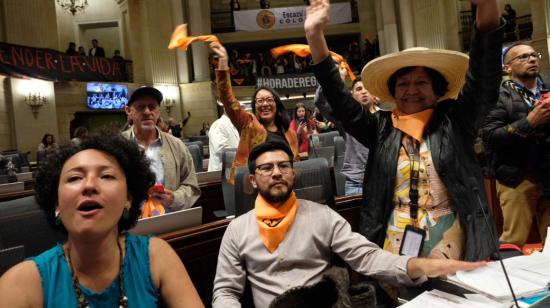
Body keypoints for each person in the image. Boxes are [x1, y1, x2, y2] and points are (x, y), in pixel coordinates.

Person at [305, 0, 502, 261]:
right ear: (393, 91)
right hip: (394, 242)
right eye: (403, 84)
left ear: (437, 89)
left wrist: (486, 6)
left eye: (421, 82)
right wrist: (314, 35)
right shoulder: (379, 127)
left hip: (455, 243)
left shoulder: (456, 120)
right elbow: (340, 100)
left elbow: (484, 76)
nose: (411, 90)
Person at [211, 141, 487, 307]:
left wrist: (416, 266)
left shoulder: (321, 215)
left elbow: (366, 257)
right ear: (252, 180)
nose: (276, 173)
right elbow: (225, 291)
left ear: (293, 174)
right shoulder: (237, 229)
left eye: (283, 166)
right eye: (266, 168)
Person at [0, 133, 204, 307]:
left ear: (128, 198)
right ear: (56, 203)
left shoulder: (157, 256)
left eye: (106, 176)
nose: (89, 185)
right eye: (74, 178)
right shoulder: (21, 284)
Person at [479, 42, 550, 247]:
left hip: (547, 171)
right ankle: (505, 278)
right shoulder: (495, 97)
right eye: (523, 57)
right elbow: (490, 137)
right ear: (507, 68)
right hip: (517, 176)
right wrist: (529, 123)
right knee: (514, 239)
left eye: (534, 55)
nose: (532, 59)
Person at [208, 41, 299, 184]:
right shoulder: (248, 124)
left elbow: (295, 167)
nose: (265, 104)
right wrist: (224, 62)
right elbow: (227, 97)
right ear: (254, 107)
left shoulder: (290, 133)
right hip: (251, 187)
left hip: (283, 187)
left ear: (276, 104)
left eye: (269, 100)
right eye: (260, 101)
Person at [122, 86, 200, 211]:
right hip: (130, 222)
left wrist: (175, 198)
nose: (147, 112)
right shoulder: (117, 146)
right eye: (141, 107)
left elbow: (191, 186)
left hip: (169, 221)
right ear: (128, 111)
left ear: (158, 111)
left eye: (152, 107)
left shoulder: (177, 145)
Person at [317, 78, 378, 195]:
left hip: (382, 180)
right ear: (352, 96)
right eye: (359, 89)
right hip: (356, 183)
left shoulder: (387, 118)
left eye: (367, 89)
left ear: (374, 95)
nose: (364, 92)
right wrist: (329, 78)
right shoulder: (346, 119)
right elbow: (320, 102)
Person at [207, 107, 240, 172]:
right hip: (221, 172)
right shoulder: (219, 124)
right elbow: (221, 150)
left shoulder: (232, 124)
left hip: (231, 170)